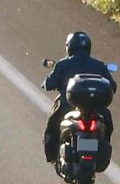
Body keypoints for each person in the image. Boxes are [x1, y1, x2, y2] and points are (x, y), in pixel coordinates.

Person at [42, 30, 115, 165]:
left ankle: (52, 156)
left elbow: (50, 83)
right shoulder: (99, 65)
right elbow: (113, 86)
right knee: (108, 125)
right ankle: (101, 155)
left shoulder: (63, 64)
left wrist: (46, 84)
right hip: (96, 109)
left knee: (52, 126)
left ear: (69, 47)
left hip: (67, 106)